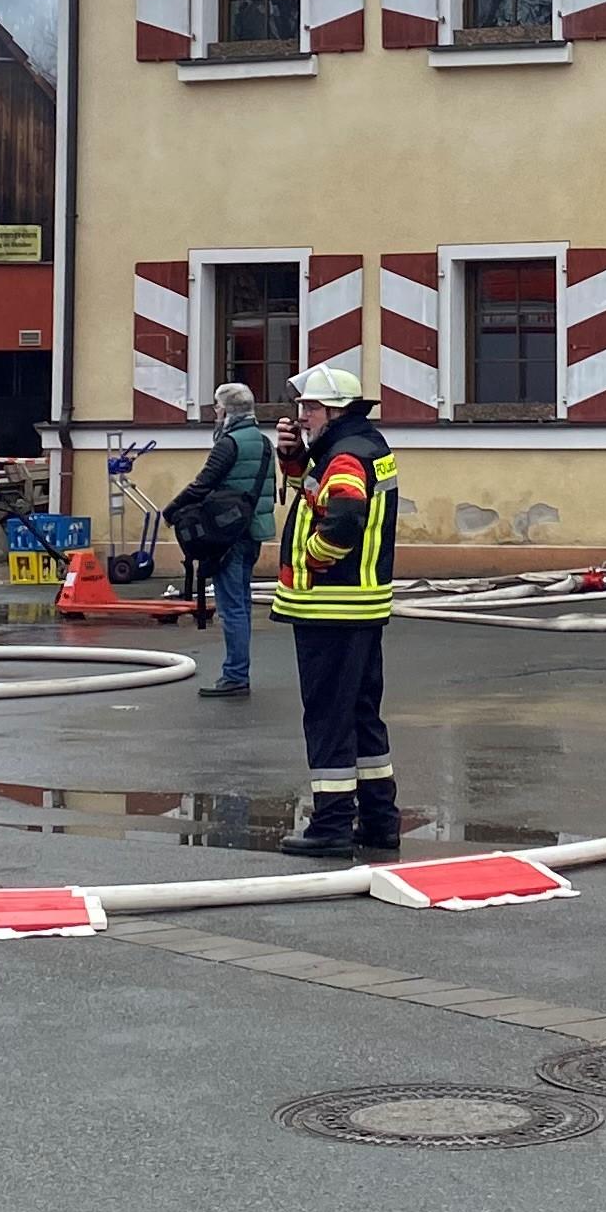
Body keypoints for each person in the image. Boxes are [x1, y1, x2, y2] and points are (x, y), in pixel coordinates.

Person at [269, 360, 401, 855]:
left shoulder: (344, 457)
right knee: (363, 714)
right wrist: (296, 460)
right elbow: (321, 495)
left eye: (310, 408)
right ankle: (380, 819)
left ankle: (330, 826)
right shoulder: (363, 447)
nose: (302, 416)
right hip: (361, 606)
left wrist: (312, 558)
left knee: (327, 718)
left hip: (331, 607)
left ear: (336, 410)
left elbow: (343, 518)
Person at [179, 381, 278, 699]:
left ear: (229, 410)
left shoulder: (228, 443)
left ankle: (235, 674)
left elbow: (203, 484)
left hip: (227, 536)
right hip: (254, 531)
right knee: (243, 603)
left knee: (231, 606)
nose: (215, 412)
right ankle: (238, 670)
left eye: (218, 407)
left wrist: (172, 511)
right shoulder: (264, 442)